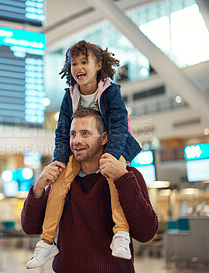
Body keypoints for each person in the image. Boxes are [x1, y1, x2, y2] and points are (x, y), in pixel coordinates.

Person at [26, 40, 142, 269]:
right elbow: (61, 132)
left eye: (84, 62)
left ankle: (121, 233)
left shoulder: (110, 91)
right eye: (73, 63)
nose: (78, 67)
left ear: (99, 64)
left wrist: (111, 156)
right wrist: (59, 160)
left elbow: (119, 127)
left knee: (113, 179)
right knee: (58, 183)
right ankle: (47, 241)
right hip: (79, 156)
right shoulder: (70, 96)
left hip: (114, 148)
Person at [21, 108, 158, 272]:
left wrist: (123, 178)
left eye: (85, 133)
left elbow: (146, 233)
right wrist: (39, 187)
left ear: (104, 138)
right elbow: (30, 227)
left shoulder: (128, 176)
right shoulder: (62, 181)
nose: (76, 140)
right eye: (73, 134)